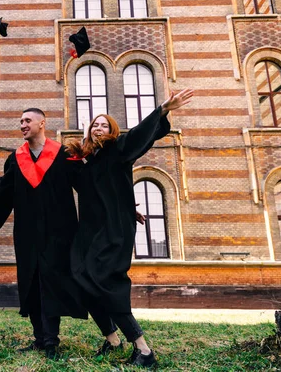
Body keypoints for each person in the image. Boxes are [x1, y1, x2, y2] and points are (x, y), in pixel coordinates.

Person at [65, 88, 194, 368]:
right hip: (90, 231)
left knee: (107, 283)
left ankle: (144, 349)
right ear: (88, 131)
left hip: (114, 231)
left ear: (111, 131)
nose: (99, 128)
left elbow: (138, 136)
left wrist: (162, 109)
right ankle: (112, 339)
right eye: (95, 124)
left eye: (105, 125)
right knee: (79, 278)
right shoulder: (85, 163)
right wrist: (127, 205)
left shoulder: (118, 151)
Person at [0, 107, 88, 360]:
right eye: (20, 121)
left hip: (59, 232)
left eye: (27, 120)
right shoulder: (15, 158)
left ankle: (52, 339)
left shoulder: (63, 154)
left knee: (53, 283)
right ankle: (39, 338)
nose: (22, 124)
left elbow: (88, 184)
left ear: (42, 123)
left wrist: (121, 206)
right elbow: (1, 191)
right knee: (31, 283)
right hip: (27, 232)